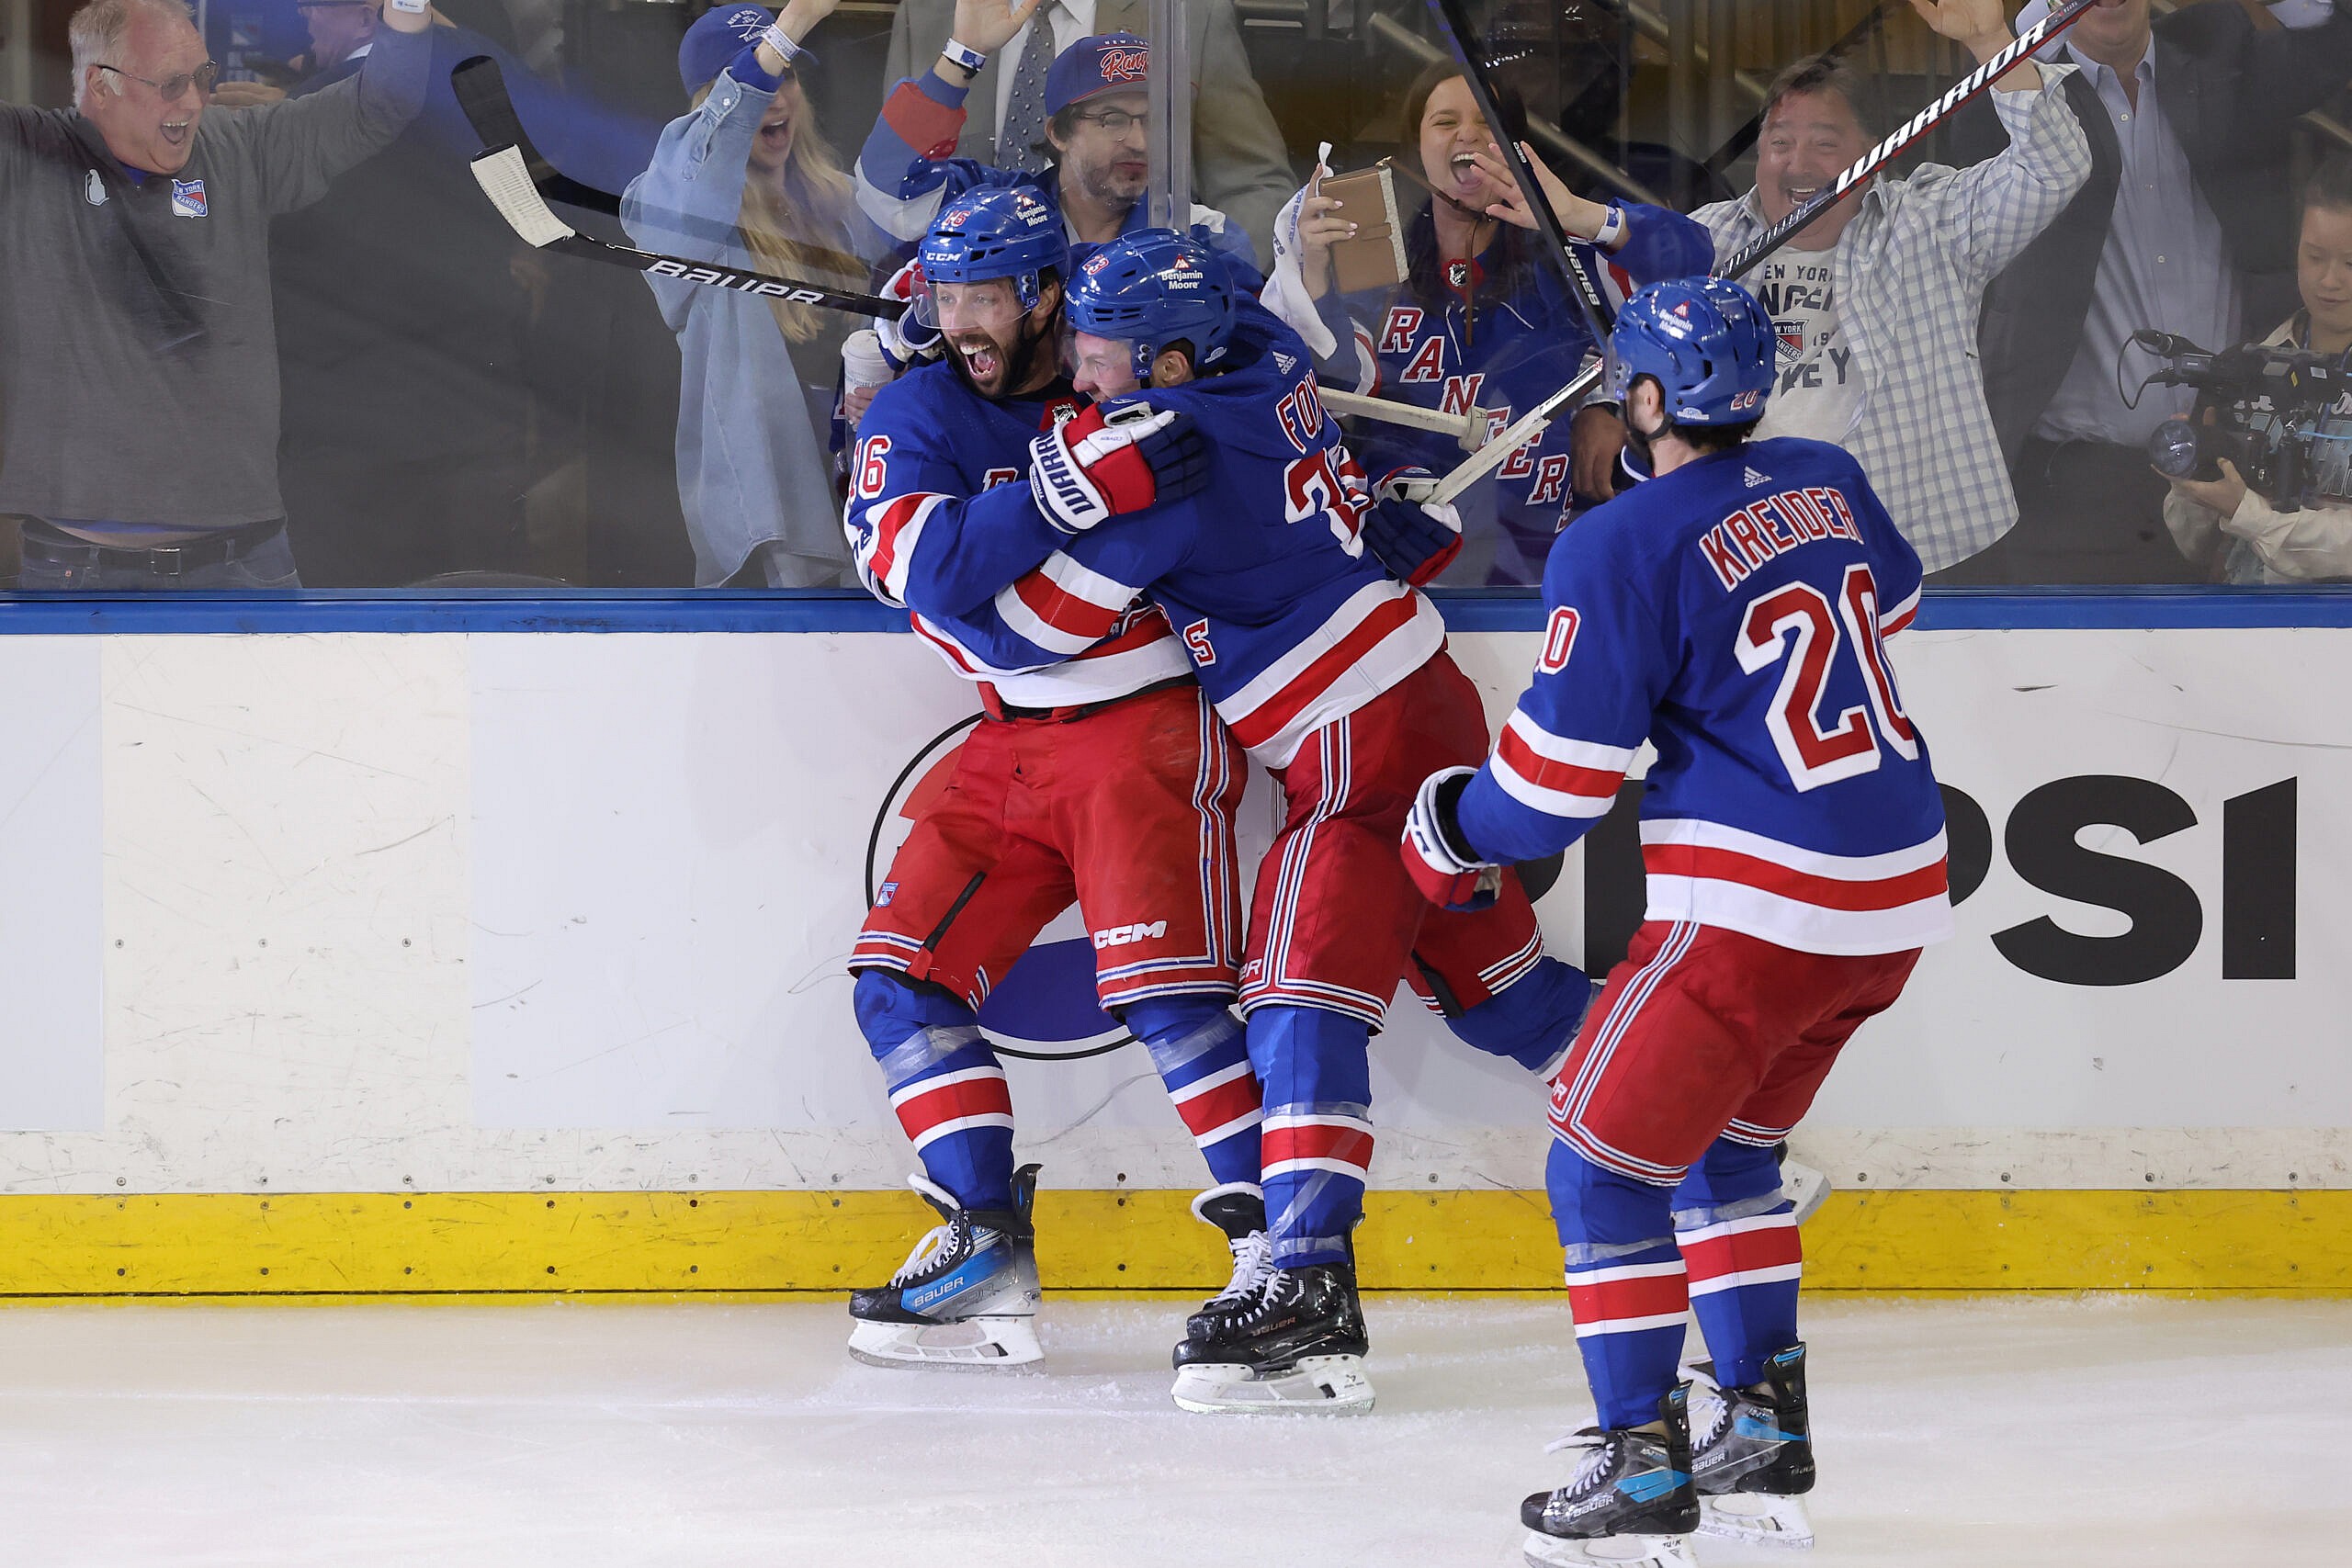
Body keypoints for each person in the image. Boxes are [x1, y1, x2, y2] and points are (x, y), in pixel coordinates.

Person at [873, 229, 1599, 1414]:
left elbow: (1017, 636)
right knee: (1499, 993)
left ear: (1167, 367)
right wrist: (1365, 521)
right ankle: (1727, 1140)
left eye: (1104, 360)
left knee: (1297, 996)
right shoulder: (1264, 366)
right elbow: (1263, 338)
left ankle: (1308, 1300)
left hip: (1354, 747)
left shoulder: (1165, 471)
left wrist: (1062, 491)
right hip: (1417, 702)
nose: (1083, 381)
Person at [1397, 277, 1951, 1567]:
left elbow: (1547, 793)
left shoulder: (1619, 540)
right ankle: (1760, 1421)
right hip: (1895, 896)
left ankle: (1640, 1464)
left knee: (1598, 1163)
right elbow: (1890, 602)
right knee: (1729, 1149)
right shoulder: (1826, 472)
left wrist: (1450, 826)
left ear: (1648, 399)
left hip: (1758, 907)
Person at [838, 187, 1269, 1371]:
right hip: (1008, 741)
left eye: (988, 296)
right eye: (945, 295)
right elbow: (920, 570)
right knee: (898, 980)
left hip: (1143, 734)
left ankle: (1283, 1261)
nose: (962, 319)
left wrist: (1021, 521)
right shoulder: (920, 408)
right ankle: (984, 1243)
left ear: (1045, 297)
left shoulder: (1122, 371)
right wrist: (1059, 498)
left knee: (1168, 997)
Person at [0, 0, 428, 590]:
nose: (195, 102)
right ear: (101, 86)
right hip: (79, 570)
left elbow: (381, 102)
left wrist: (406, 6)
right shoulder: (29, 153)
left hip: (243, 563)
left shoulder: (240, 147)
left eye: (203, 77)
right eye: (171, 84)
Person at [1261, 61, 1713, 584]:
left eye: (1486, 121)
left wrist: (1579, 215)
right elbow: (1328, 395)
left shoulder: (1564, 259)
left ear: (1515, 147)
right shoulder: (1372, 269)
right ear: (1417, 147)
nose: (1468, 134)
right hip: (1411, 565)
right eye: (1445, 121)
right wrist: (1312, 277)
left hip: (1547, 567)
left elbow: (1697, 266)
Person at [1951, 0, 2352, 585]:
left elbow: (2332, 45)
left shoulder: (2219, 65)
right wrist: (2038, 26)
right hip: (2079, 484)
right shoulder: (2016, 99)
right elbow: (1971, 127)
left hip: (2241, 470)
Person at [1690, 0, 2089, 578]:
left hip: (1923, 551)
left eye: (1826, 144)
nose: (1797, 164)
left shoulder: (1931, 220)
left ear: (1873, 155)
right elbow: (1628, 344)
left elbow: (2055, 168)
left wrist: (1991, 42)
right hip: (1749, 551)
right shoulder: (1709, 238)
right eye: (1779, 143)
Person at [266, 0, 543, 586]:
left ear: (371, 17)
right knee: (478, 628)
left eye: (319, 6)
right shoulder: (487, 102)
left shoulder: (300, 113)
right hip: (473, 426)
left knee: (354, 649)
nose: (306, 17)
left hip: (343, 441)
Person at [624, 2, 880, 587]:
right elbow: (694, 179)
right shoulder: (672, 211)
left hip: (866, 486)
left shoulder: (843, 202)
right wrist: (786, 32)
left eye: (787, 74)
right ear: (707, 109)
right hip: (772, 514)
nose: (776, 95)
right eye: (755, 76)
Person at [880, 0, 1292, 266]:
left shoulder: (1187, 12)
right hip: (977, 331)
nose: (1136, 138)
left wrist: (1193, 293)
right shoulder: (929, 11)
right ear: (1055, 133)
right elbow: (889, 189)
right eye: (1112, 120)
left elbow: (1253, 185)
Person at [2161, 153, 2352, 584]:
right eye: (2315, 256)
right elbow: (2191, 546)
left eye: (2350, 263)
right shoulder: (2247, 364)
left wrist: (2247, 512)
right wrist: (2196, 476)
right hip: (2242, 627)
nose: (2329, 281)